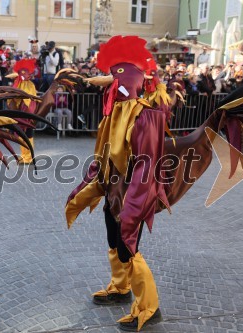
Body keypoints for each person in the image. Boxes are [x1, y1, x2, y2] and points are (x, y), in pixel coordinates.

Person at [65, 35, 172, 332]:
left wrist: (132, 208)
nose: (109, 83)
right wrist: (91, 185)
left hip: (131, 197)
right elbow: (103, 154)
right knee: (113, 239)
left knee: (129, 246)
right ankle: (120, 287)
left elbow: (146, 166)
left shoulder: (144, 116)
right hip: (114, 192)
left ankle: (150, 308)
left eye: (114, 78)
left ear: (124, 83)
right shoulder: (112, 115)